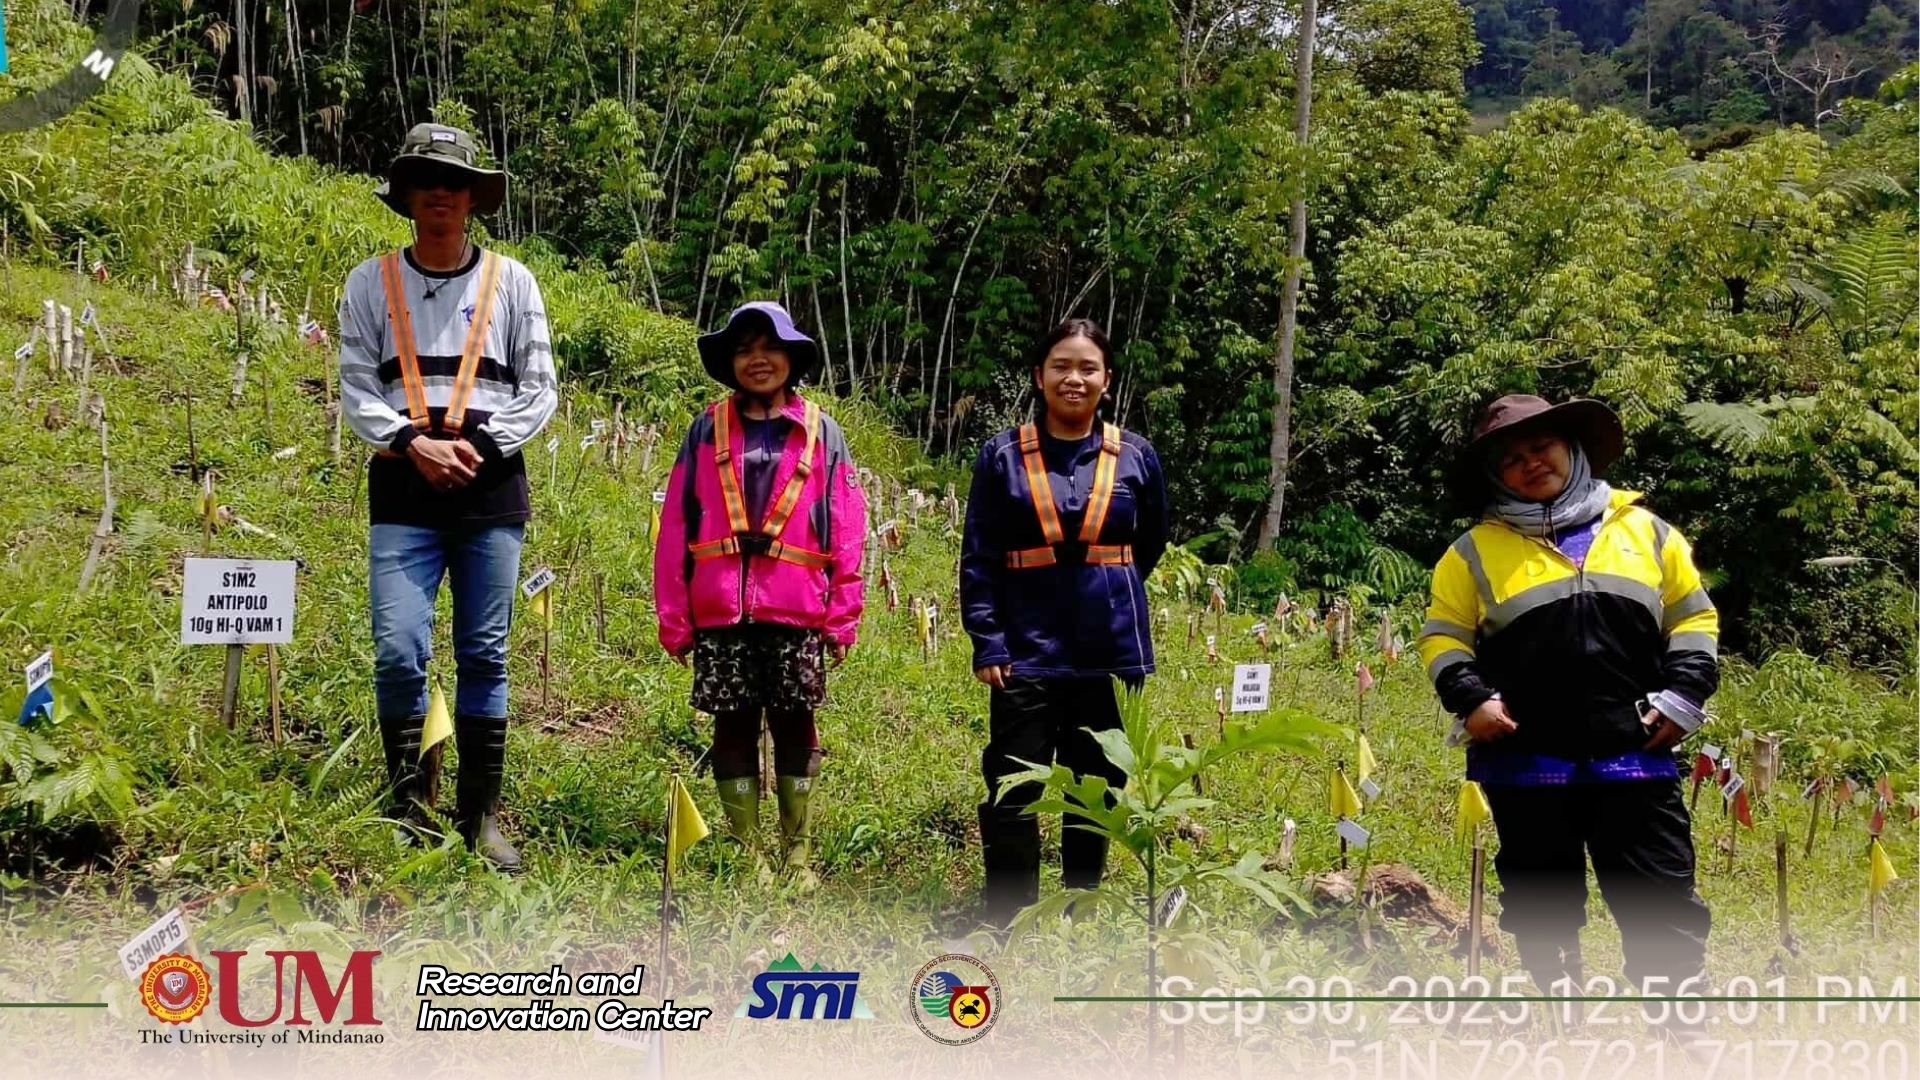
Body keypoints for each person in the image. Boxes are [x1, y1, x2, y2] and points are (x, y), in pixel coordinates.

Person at [1416, 394, 1718, 1008]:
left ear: (1572, 449)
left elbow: (1692, 619)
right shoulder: (1471, 553)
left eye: (1542, 447)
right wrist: (1469, 698)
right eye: (1513, 458)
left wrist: (1685, 695)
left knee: (1660, 899)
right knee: (1539, 899)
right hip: (1526, 762)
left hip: (1635, 757)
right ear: (1496, 475)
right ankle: (1560, 1015)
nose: (1531, 463)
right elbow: (1443, 635)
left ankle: (1681, 1028)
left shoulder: (1648, 533)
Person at [337, 123, 558, 871]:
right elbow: (356, 386)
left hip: (489, 489)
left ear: (472, 198)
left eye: (454, 180)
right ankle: (408, 805)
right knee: (399, 650)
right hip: (404, 485)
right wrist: (412, 442)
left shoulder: (514, 282)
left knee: (484, 654)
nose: (440, 191)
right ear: (405, 194)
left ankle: (481, 814)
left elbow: (539, 387)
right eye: (424, 178)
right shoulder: (369, 283)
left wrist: (481, 447)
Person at [960, 318, 1169, 928]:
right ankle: (1009, 913)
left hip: (1110, 650)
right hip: (1023, 651)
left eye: (1088, 368)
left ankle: (1082, 906)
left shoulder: (1136, 456)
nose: (1073, 378)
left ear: (1106, 381)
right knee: (1012, 782)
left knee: (1097, 782)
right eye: (1061, 366)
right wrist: (987, 639)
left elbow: (1149, 543)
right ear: (1039, 376)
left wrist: (1107, 590)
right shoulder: (1001, 455)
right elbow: (979, 555)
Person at [653, 302, 867, 883]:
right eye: (745, 348)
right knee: (733, 722)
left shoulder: (824, 432)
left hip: (797, 609)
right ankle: (748, 854)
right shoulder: (704, 430)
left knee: (796, 722)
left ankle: (797, 852)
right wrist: (674, 616)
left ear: (792, 358)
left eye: (770, 348)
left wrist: (842, 615)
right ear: (731, 362)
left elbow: (848, 527)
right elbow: (676, 524)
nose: (758, 359)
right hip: (720, 610)